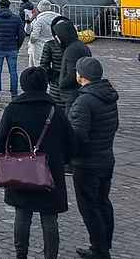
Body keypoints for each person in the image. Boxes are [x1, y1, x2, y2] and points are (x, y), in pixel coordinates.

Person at [0, 67, 77, 259]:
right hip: (50, 172)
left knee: (23, 215)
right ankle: (51, 256)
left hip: (20, 171)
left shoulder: (13, 109)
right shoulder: (55, 111)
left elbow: (1, 140)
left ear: (23, 86)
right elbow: (71, 143)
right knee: (49, 219)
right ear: (44, 85)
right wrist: (59, 162)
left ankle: (21, 254)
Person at [67, 57, 119, 259]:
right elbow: (113, 126)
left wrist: (68, 156)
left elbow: (78, 136)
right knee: (103, 201)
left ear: (80, 75)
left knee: (90, 208)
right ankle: (104, 243)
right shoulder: (107, 96)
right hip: (106, 158)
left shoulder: (84, 101)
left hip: (87, 163)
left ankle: (99, 249)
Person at [0, 0, 25, 100]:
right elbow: (21, 35)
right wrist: (17, 46)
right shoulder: (16, 18)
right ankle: (14, 94)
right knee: (13, 72)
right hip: (12, 47)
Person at [51, 17, 92, 113]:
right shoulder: (77, 46)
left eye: (58, 35)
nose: (56, 37)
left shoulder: (72, 50)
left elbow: (71, 74)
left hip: (71, 94)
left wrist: (61, 84)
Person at [27, 0, 59, 68]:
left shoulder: (39, 20)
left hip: (39, 45)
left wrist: (32, 42)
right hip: (54, 44)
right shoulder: (58, 18)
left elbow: (33, 35)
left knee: (38, 65)